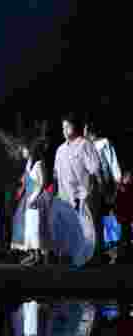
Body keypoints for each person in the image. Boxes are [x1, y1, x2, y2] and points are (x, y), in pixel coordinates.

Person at [54, 112, 104, 266]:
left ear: (75, 127)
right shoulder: (60, 150)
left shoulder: (85, 145)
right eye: (63, 127)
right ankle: (76, 258)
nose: (64, 130)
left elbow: (95, 170)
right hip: (65, 197)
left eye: (67, 126)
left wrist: (97, 191)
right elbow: (56, 174)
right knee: (72, 231)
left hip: (83, 196)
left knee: (88, 230)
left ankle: (93, 258)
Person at [10, 137, 52, 266]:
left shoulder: (39, 164)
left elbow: (42, 184)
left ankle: (39, 256)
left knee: (36, 228)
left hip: (37, 199)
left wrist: (32, 198)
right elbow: (25, 181)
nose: (22, 151)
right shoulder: (29, 164)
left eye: (24, 149)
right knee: (29, 228)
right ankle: (33, 254)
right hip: (29, 198)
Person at [86, 118, 122, 257]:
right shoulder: (86, 146)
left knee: (106, 216)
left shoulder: (104, 143)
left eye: (85, 128)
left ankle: (111, 249)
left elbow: (112, 162)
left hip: (105, 185)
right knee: (94, 218)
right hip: (91, 186)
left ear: (89, 129)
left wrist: (117, 182)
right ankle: (97, 249)